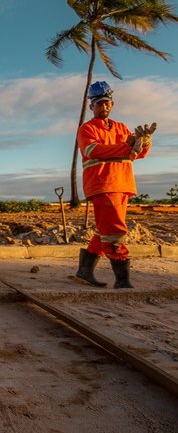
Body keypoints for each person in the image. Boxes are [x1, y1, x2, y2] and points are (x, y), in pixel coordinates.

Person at [74, 81, 155, 289]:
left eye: (107, 103)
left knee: (105, 230)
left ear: (112, 104)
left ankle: (84, 271)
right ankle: (122, 280)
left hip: (122, 183)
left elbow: (135, 154)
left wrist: (143, 143)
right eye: (99, 103)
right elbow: (94, 151)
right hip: (102, 185)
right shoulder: (87, 129)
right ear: (92, 106)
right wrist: (126, 145)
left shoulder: (121, 128)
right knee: (114, 231)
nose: (104, 107)